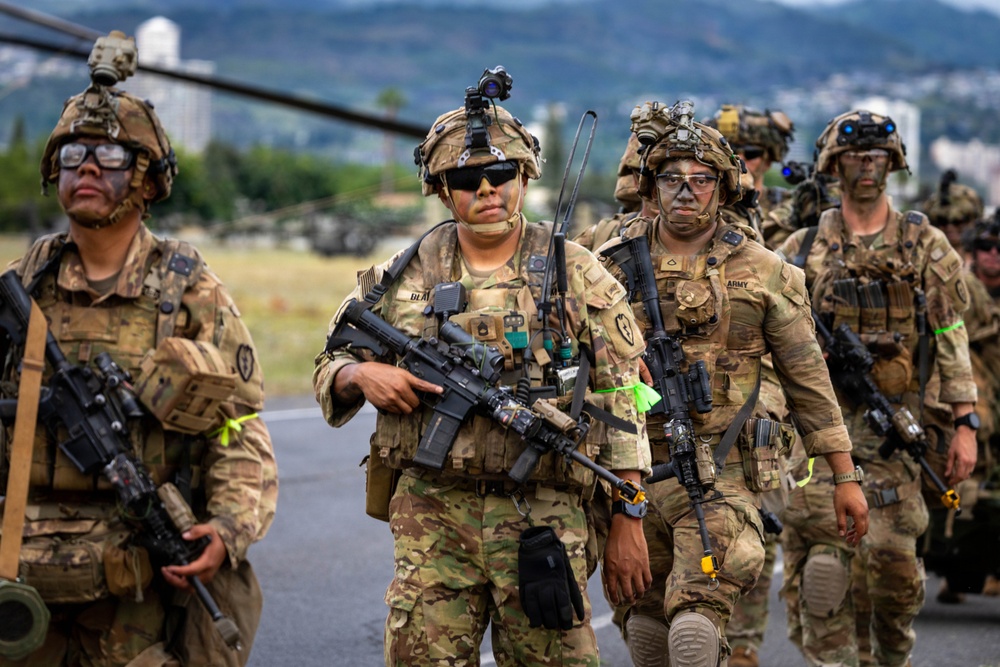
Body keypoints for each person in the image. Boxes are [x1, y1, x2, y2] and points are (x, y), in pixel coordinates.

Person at [313, 72, 652, 667]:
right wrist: (359, 377)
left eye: (501, 175)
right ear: (444, 191)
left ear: (524, 177)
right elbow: (333, 358)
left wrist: (630, 515)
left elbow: (623, 400)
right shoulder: (403, 273)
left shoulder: (576, 272)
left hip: (542, 514)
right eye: (467, 180)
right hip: (431, 517)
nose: (486, 190)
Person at [0, 31, 276, 667]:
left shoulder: (187, 292)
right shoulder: (24, 287)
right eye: (73, 156)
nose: (88, 169)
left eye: (110, 157)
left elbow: (238, 429)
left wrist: (228, 529)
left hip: (137, 591)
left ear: (148, 181)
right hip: (19, 581)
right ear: (53, 174)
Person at [593, 100, 868, 667]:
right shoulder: (605, 265)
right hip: (629, 469)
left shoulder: (768, 272)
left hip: (725, 472)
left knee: (696, 618)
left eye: (701, 180)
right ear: (652, 187)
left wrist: (845, 475)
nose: (686, 192)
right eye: (672, 179)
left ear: (723, 189)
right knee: (645, 620)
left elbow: (809, 381)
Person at [777, 109, 977, 667]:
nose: (866, 168)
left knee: (893, 586)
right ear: (833, 164)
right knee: (824, 578)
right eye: (854, 158)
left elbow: (950, 332)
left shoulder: (924, 244)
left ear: (893, 163)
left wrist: (965, 423)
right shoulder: (804, 248)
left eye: (877, 157)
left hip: (897, 437)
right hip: (819, 440)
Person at [705, 104, 795, 248]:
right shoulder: (703, 206)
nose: (739, 158)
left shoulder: (790, 207)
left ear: (769, 160)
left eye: (752, 153)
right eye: (732, 151)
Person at [920, 169, 984, 255]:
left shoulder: (985, 258)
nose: (950, 228)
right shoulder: (923, 257)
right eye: (943, 221)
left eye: (957, 222)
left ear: (971, 222)